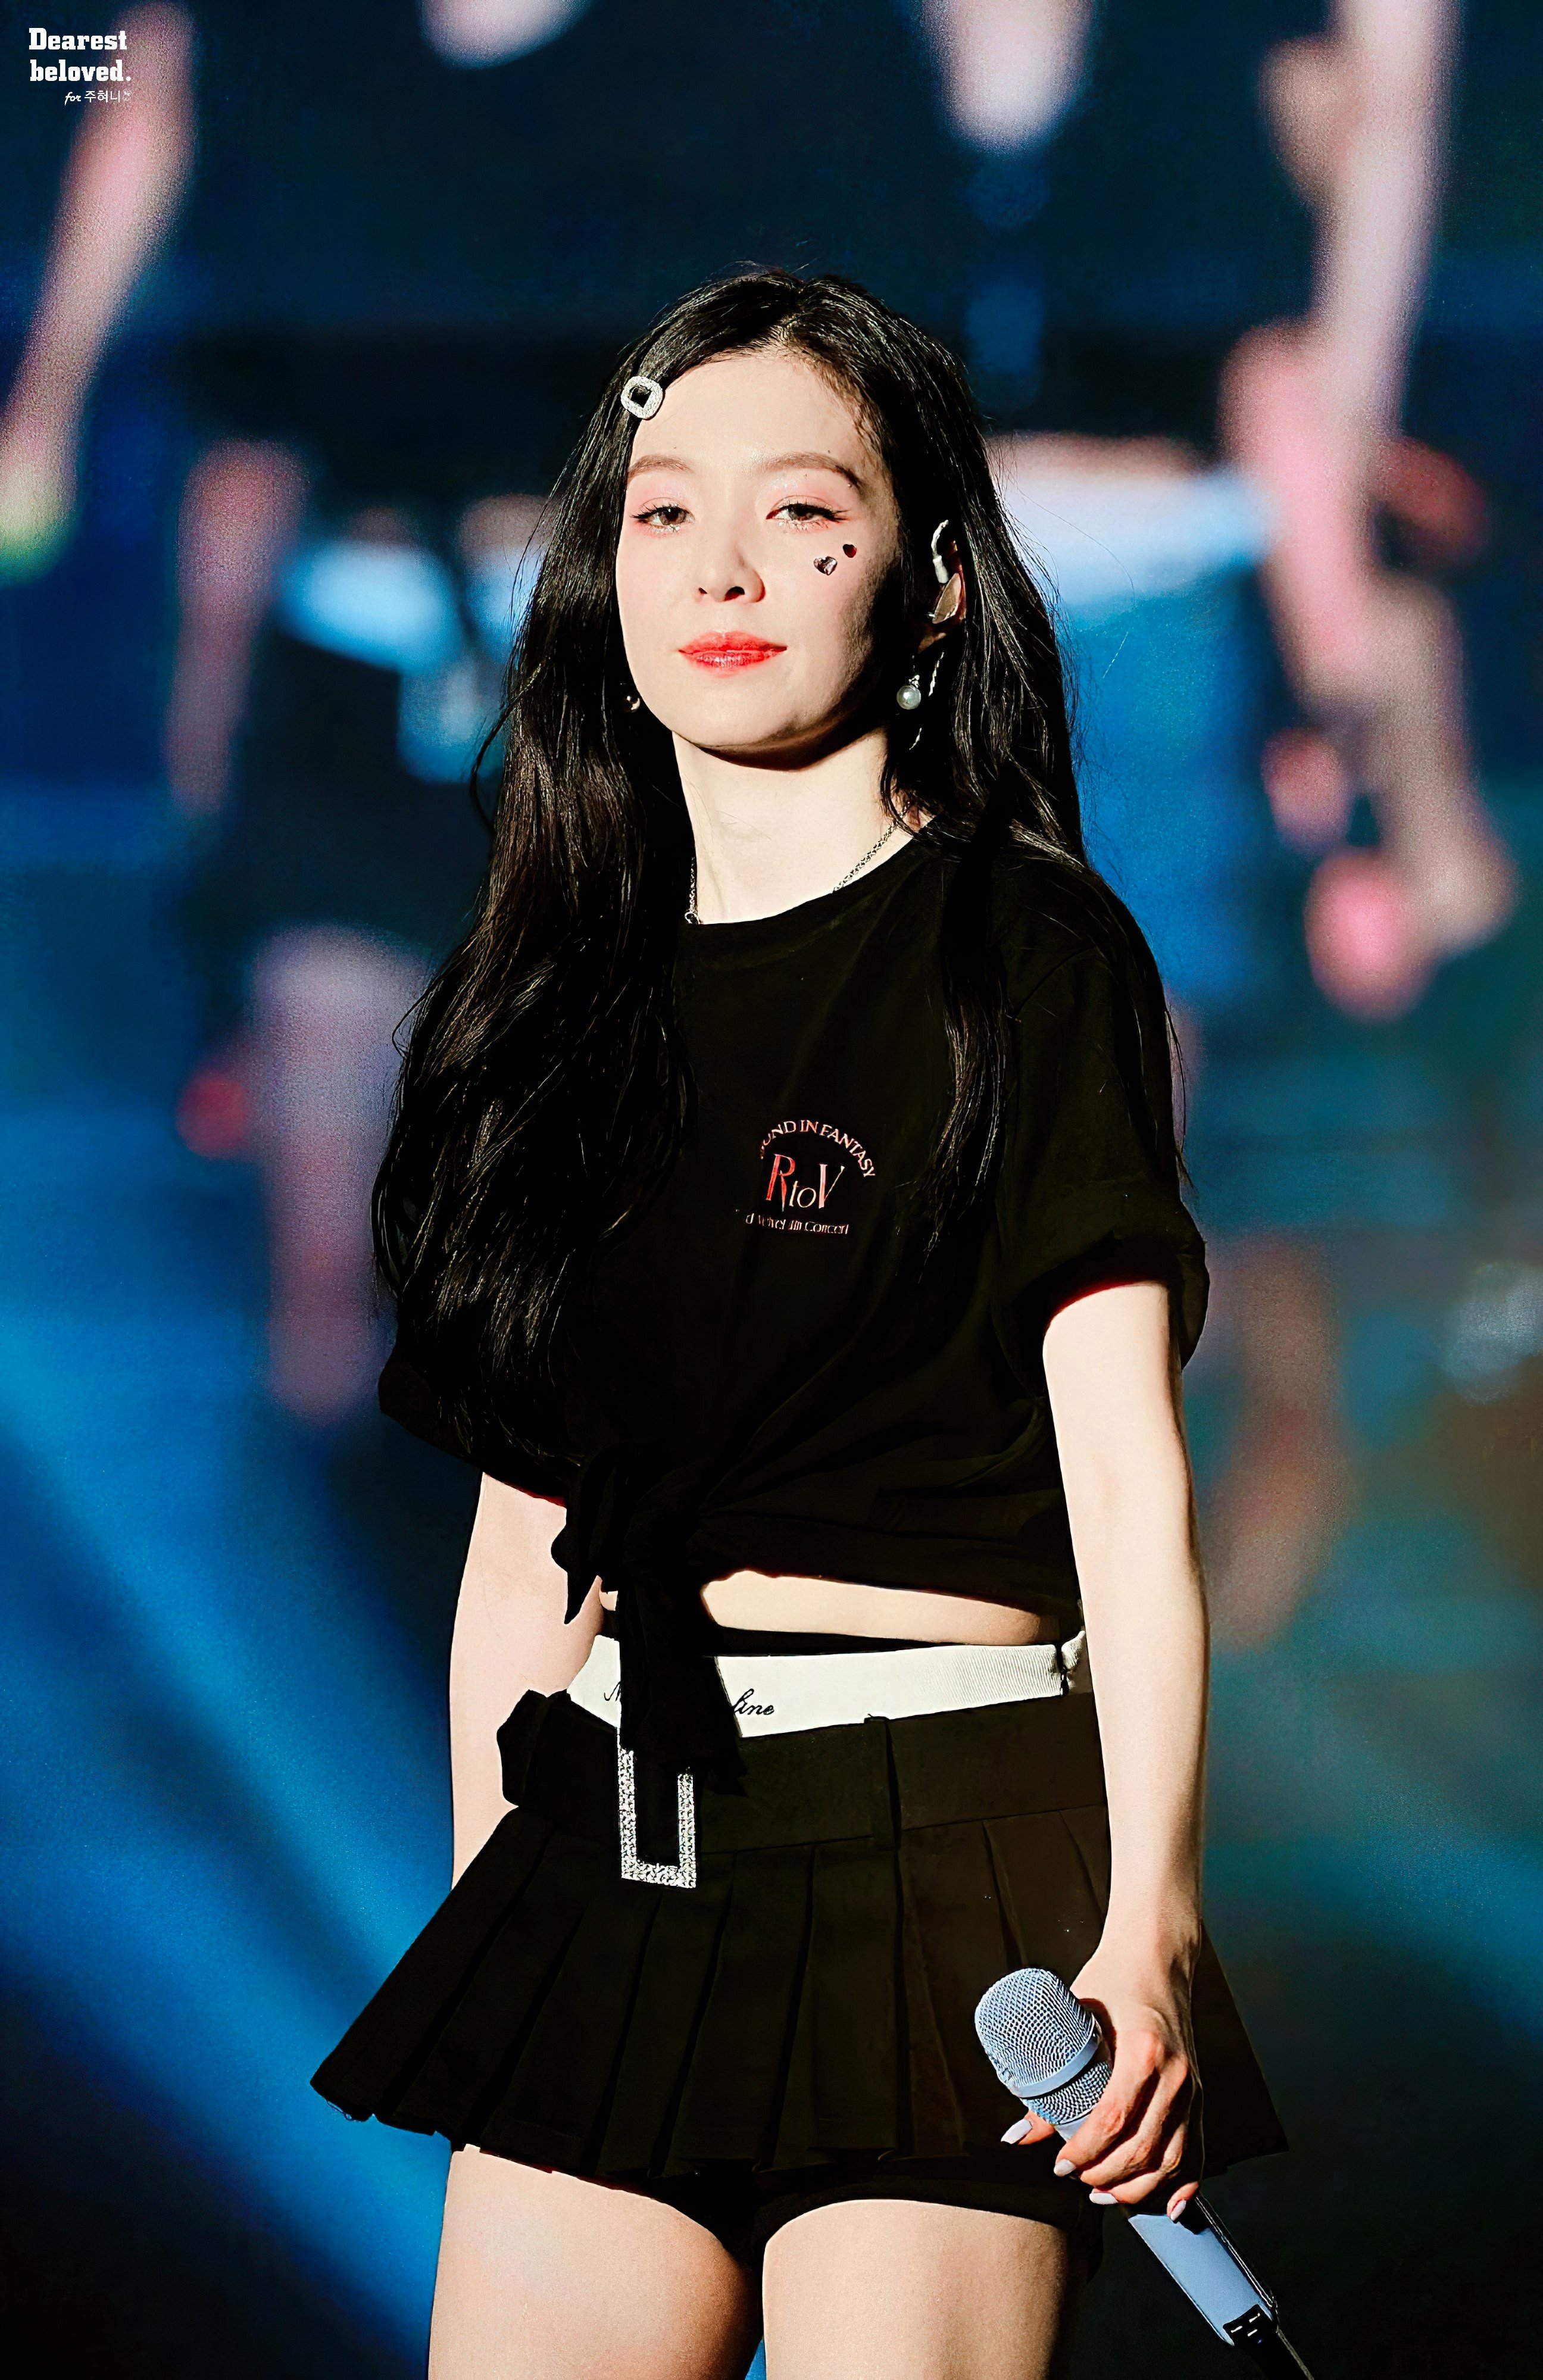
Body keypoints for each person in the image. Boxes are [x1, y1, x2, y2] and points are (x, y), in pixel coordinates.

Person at [311, 271, 1285, 2380]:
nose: (723, 571)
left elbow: (1129, 1482)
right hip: (613, 1842)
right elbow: (524, 1541)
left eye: (805, 516)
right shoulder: (542, 998)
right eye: (666, 512)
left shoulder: (1022, 952)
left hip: (949, 1855)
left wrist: (1150, 1922)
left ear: (933, 588)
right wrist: (494, 1936)